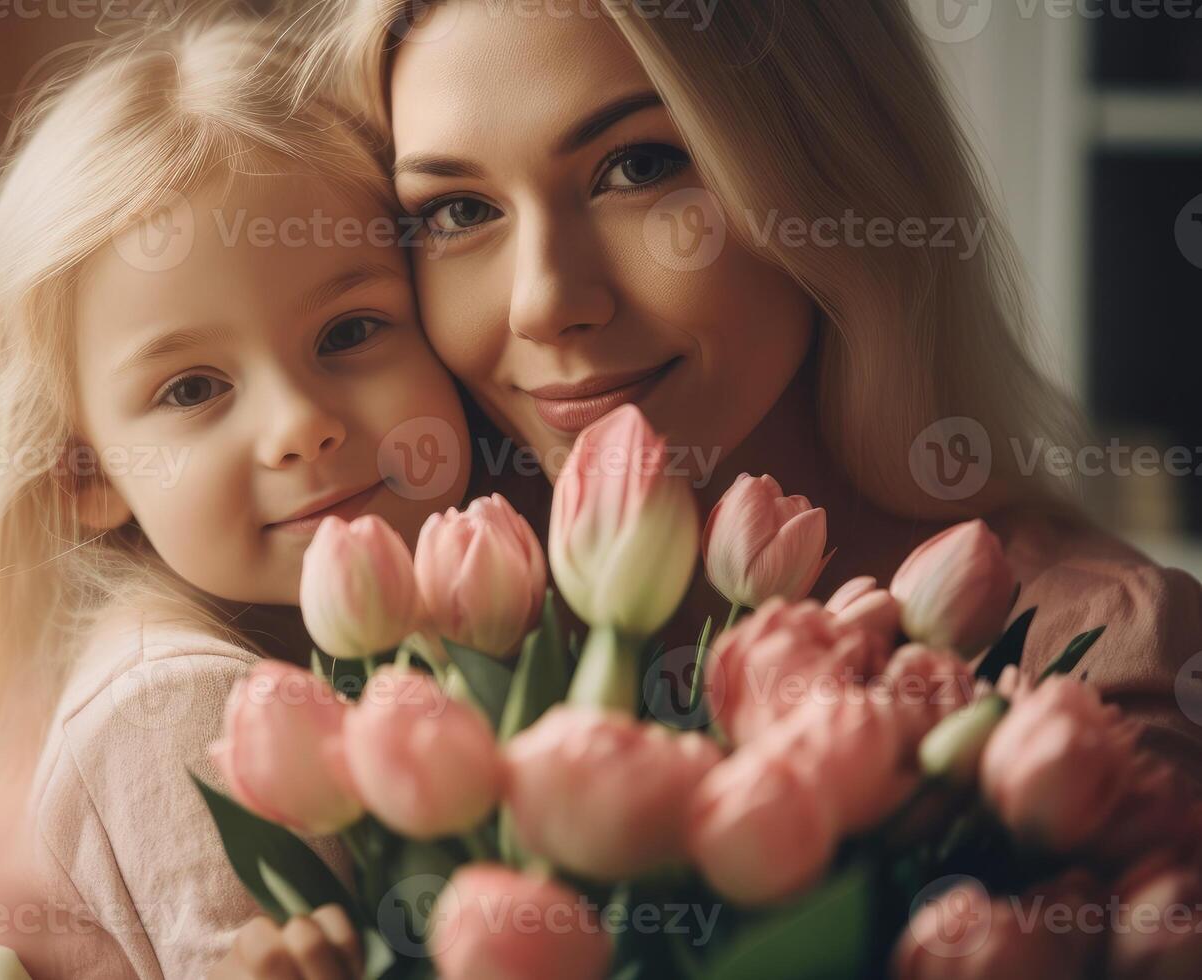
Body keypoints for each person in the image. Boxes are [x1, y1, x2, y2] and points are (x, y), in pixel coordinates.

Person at [210, 0, 1202, 972]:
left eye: (637, 166)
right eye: (456, 211)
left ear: (833, 171)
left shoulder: (1105, 678)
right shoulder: (426, 620)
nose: (542, 299)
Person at [0, 11, 473, 978]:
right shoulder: (180, 710)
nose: (300, 425)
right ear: (83, 473)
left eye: (349, 332)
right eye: (194, 389)